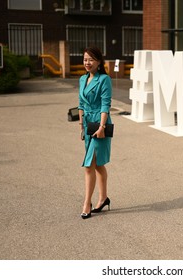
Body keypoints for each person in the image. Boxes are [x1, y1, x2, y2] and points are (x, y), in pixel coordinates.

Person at [78, 46, 112, 219]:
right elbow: (81, 104)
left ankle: (87, 203)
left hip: (100, 125)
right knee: (98, 165)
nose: (87, 63)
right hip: (88, 125)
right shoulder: (82, 80)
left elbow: (105, 105)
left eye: (91, 59)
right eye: (85, 59)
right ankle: (103, 198)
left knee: (88, 165)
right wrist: (81, 126)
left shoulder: (104, 79)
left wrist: (102, 127)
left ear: (99, 62)